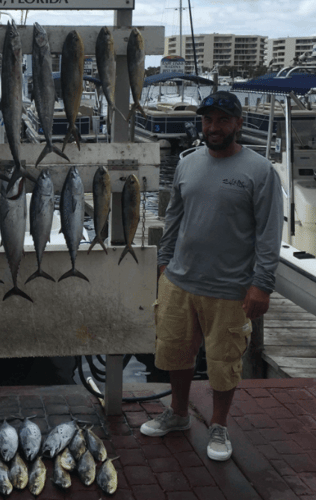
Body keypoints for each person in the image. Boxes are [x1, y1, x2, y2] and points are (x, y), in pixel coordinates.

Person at [140, 91, 283, 461]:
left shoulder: (259, 171)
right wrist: (163, 261)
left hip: (231, 288)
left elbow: (269, 234)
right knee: (174, 354)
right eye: (207, 120)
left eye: (222, 120)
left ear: (238, 124)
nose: (213, 127)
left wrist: (262, 285)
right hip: (180, 281)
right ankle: (178, 413)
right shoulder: (188, 163)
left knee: (224, 363)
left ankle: (218, 425)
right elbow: (174, 216)